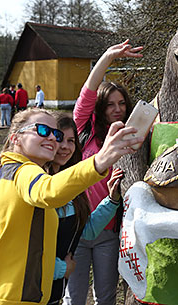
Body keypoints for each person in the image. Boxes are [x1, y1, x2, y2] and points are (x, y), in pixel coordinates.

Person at [0, 108, 143, 305]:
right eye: (42, 130)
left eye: (55, 133)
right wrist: (100, 160)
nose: (53, 138)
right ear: (16, 138)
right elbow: (48, 192)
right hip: (10, 299)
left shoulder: (7, 175)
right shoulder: (23, 172)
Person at [63, 40, 143, 305]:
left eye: (121, 103)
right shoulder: (83, 132)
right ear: (100, 107)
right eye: (110, 104)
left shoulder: (135, 137)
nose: (117, 108)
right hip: (75, 229)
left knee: (105, 297)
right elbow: (89, 90)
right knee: (73, 298)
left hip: (108, 230)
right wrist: (108, 56)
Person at [48, 114, 125, 305]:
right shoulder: (38, 181)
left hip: (51, 287)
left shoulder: (74, 185)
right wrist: (59, 268)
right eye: (59, 138)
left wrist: (111, 200)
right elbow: (29, 247)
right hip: (34, 286)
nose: (65, 146)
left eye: (71, 140)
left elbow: (86, 230)